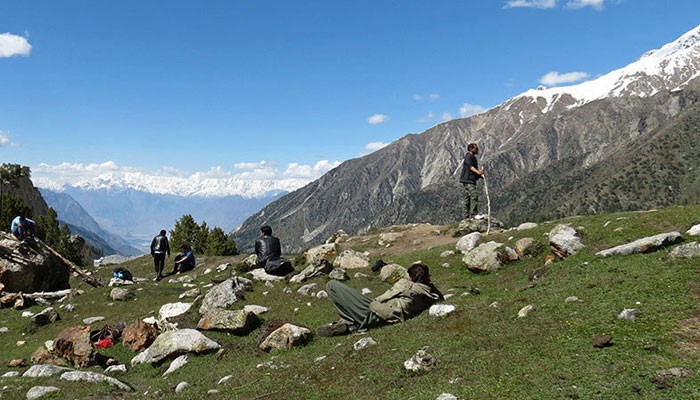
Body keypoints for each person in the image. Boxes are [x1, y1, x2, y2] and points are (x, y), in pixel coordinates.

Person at [317, 263, 444, 337]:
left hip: (376, 314)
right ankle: (350, 325)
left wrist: (367, 302)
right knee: (356, 307)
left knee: (332, 285)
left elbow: (382, 298)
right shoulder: (430, 293)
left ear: (410, 277)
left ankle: (350, 322)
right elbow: (440, 296)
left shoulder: (406, 285)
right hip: (389, 317)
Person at [459, 142, 485, 220]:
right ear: (471, 149)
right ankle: (474, 214)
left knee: (467, 198)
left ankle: (466, 217)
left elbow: (473, 169)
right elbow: (470, 167)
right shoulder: (468, 157)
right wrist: (479, 172)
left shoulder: (473, 158)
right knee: (474, 195)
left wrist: (479, 176)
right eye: (476, 148)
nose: (477, 150)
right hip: (468, 180)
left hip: (470, 180)